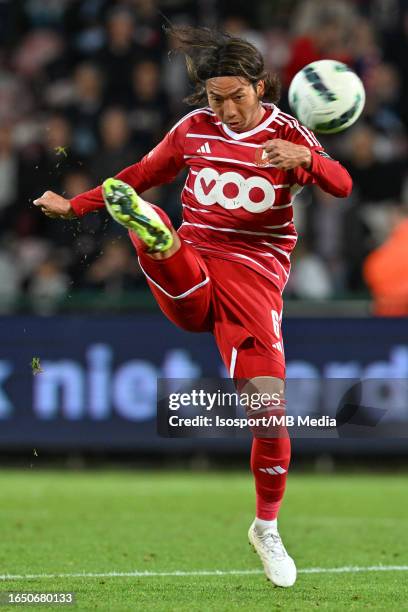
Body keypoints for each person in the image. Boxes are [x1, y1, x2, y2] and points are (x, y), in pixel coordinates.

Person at [34, 26, 352, 588]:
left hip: (254, 276)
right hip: (197, 255)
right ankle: (153, 236)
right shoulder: (192, 132)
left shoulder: (289, 134)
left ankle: (266, 526)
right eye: (214, 97)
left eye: (237, 96)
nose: (226, 108)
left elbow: (342, 183)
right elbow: (136, 175)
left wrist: (307, 156)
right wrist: (76, 205)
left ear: (262, 87)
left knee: (268, 415)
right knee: (174, 270)